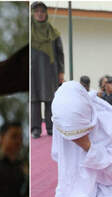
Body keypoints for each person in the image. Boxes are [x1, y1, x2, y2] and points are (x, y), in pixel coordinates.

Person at [31, 1, 64, 138]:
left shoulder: (53, 32)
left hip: (50, 70)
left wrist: (61, 72)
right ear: (33, 13)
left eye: (42, 11)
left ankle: (51, 127)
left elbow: (60, 53)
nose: (40, 14)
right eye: (37, 11)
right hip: (33, 70)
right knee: (34, 99)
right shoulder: (29, 30)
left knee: (51, 98)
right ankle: (36, 128)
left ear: (46, 14)